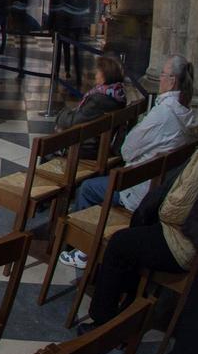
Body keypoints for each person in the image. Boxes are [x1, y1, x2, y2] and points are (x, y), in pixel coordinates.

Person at [60, 55, 196, 270]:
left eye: (162, 75)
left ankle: (84, 249)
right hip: (161, 188)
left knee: (87, 188)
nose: (159, 79)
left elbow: (127, 149)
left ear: (171, 81)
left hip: (140, 190)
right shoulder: (188, 116)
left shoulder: (163, 113)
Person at [84, 151, 198, 334]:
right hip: (181, 235)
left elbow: (174, 211)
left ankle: (102, 323)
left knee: (119, 244)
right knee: (135, 232)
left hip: (180, 242)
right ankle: (130, 297)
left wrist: (160, 205)